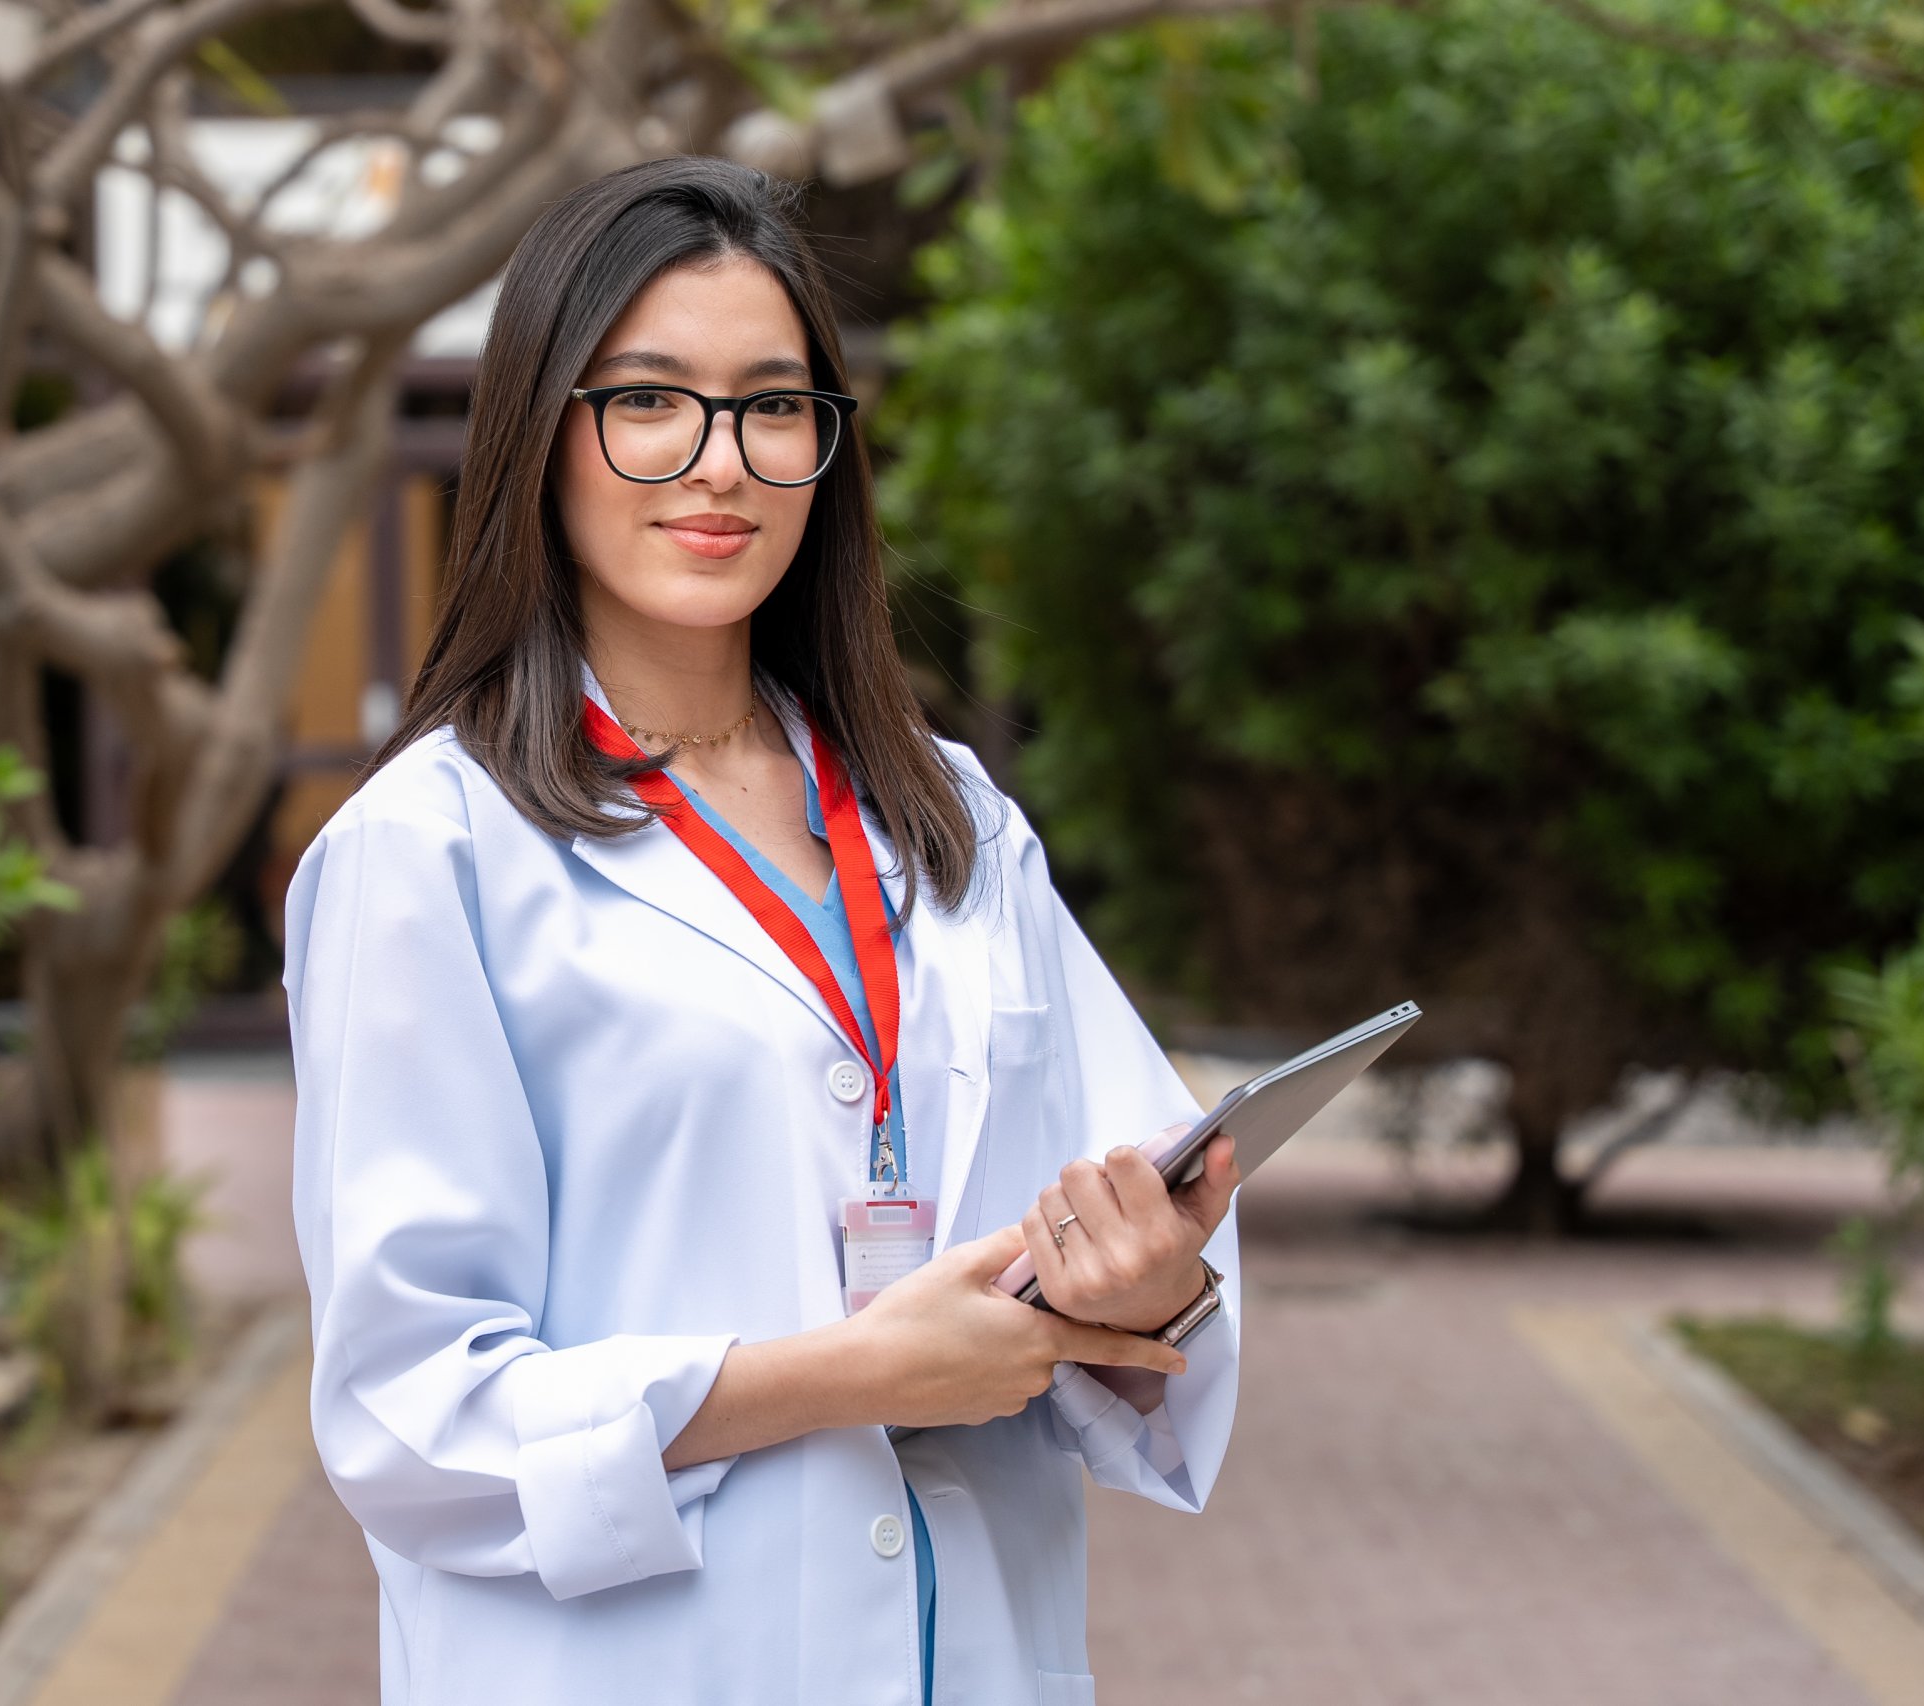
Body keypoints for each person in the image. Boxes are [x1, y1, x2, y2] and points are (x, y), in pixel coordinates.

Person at [283, 154, 1243, 1706]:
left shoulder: (955, 825)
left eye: (773, 406)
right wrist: (847, 1377)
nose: (719, 463)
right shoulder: (429, 850)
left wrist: (1148, 1291)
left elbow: (1124, 1198)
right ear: (542, 430)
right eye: (650, 400)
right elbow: (411, 1415)